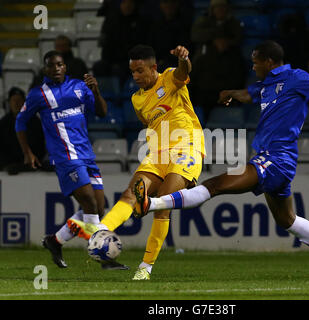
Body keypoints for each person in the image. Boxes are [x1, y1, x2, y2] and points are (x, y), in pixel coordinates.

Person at [133, 41, 309, 279]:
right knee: (287, 220)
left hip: (275, 159)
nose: (252, 66)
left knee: (214, 185)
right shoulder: (266, 84)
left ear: (269, 62)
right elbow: (250, 94)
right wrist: (231, 94)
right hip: (274, 162)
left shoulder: (296, 77)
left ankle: (152, 204)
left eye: (256, 61)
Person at [67, 45, 205, 280]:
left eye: (140, 71)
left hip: (187, 148)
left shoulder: (170, 77)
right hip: (158, 153)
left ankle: (146, 267)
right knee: (129, 195)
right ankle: (100, 233)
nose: (136, 77)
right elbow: (149, 125)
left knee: (163, 203)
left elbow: (184, 72)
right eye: (132, 72)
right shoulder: (137, 99)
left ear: (154, 68)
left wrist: (185, 59)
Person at [15, 51, 125, 270]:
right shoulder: (38, 95)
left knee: (97, 210)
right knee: (90, 203)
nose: (56, 68)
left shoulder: (79, 86)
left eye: (60, 64)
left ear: (65, 67)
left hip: (87, 155)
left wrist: (95, 89)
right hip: (64, 158)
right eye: (51, 65)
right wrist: (27, 152)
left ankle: (54, 241)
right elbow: (20, 122)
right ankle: (105, 259)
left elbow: (102, 112)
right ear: (45, 70)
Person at [93, 0, 149, 84]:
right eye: (124, 3)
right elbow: (106, 45)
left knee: (119, 70)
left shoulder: (141, 22)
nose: (127, 6)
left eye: (130, 3)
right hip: (112, 59)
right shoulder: (111, 21)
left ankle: (120, 95)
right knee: (99, 67)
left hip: (131, 60)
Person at [0, 87, 45, 174]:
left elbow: (40, 145)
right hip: (8, 166)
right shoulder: (3, 123)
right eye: (13, 100)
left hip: (33, 166)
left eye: (19, 100)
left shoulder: (34, 122)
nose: (16, 103)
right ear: (9, 103)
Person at [147, 0, 192, 72]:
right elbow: (151, 47)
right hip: (156, 63)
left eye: (172, 2)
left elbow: (184, 51)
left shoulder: (184, 25)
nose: (169, 5)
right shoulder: (156, 25)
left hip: (175, 65)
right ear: (161, 5)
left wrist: (164, 61)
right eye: (165, 2)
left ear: (177, 4)